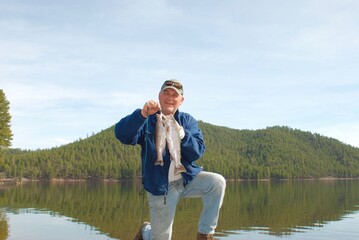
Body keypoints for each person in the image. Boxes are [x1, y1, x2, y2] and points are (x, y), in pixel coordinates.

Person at [114, 79, 226, 240]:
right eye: (166, 93)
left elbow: (197, 152)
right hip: (161, 187)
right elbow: (122, 135)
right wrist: (141, 114)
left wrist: (183, 135)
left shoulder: (187, 121)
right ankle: (146, 231)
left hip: (186, 179)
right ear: (159, 96)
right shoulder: (148, 119)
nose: (170, 97)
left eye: (175, 95)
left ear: (181, 100)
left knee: (217, 182)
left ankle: (205, 233)